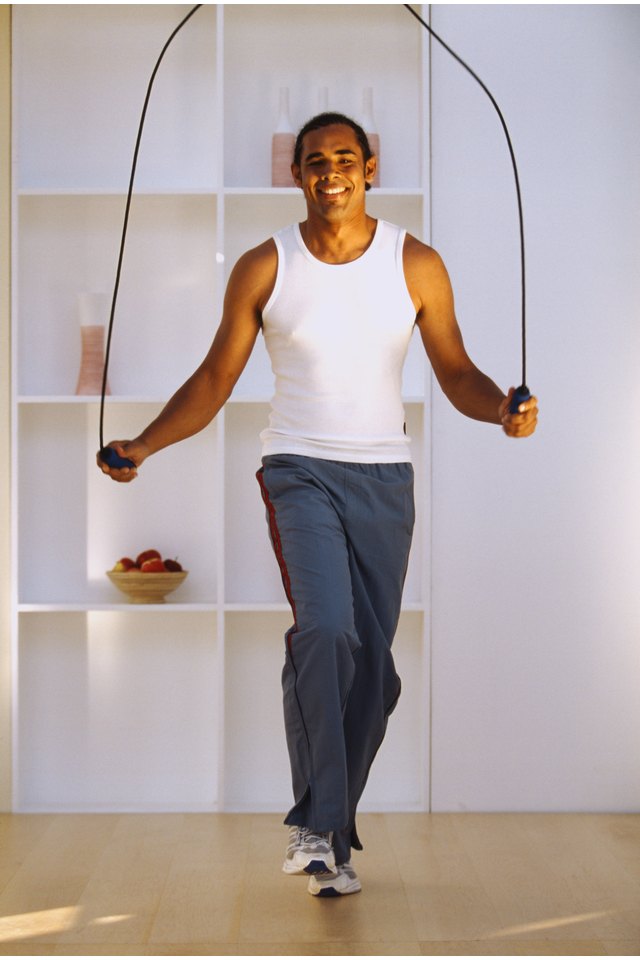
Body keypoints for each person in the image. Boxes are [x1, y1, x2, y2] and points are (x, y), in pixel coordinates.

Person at [98, 112, 539, 897]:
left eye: (344, 158)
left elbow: (456, 372)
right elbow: (212, 383)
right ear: (296, 174)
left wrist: (503, 405)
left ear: (370, 166)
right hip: (297, 469)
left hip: (384, 479)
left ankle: (330, 840)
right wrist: (140, 446)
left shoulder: (418, 263)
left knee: (374, 673)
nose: (329, 171)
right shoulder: (267, 266)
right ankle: (315, 825)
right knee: (326, 630)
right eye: (313, 161)